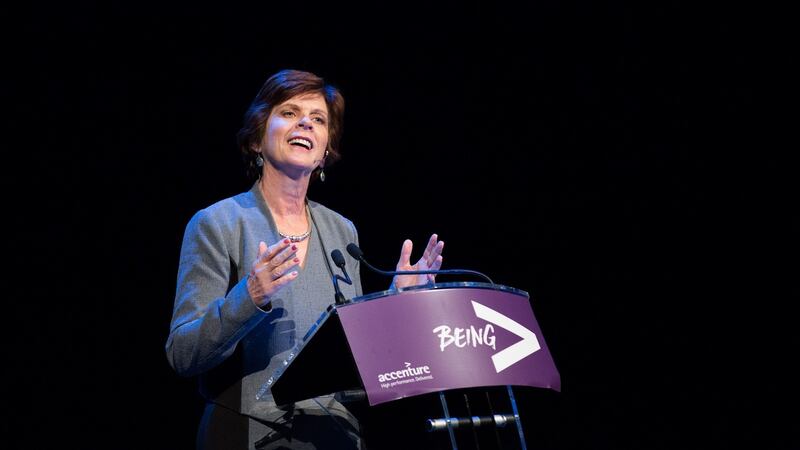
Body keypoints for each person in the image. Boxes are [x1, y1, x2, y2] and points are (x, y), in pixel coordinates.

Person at [165, 69, 445, 449]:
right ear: (256, 139)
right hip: (250, 431)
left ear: (326, 149)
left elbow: (358, 357)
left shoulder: (342, 231)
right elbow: (183, 353)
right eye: (290, 112)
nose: (305, 124)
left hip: (336, 434)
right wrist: (248, 296)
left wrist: (392, 306)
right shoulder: (218, 223)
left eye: (318, 119)